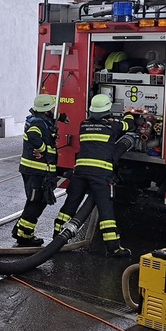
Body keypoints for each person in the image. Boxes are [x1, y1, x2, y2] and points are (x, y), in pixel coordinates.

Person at [53, 94, 135, 257]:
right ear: (107, 110)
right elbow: (129, 125)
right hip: (100, 174)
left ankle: (57, 237)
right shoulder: (113, 126)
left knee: (70, 204)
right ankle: (113, 247)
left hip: (80, 171)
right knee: (105, 209)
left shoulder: (84, 125)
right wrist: (129, 112)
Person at [11, 94, 63, 247]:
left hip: (36, 170)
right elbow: (33, 135)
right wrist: (43, 149)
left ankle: (20, 230)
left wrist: (62, 116)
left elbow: (50, 120)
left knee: (35, 202)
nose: (54, 110)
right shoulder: (38, 124)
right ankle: (24, 236)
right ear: (46, 109)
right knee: (36, 203)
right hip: (37, 171)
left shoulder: (38, 118)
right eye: (52, 107)